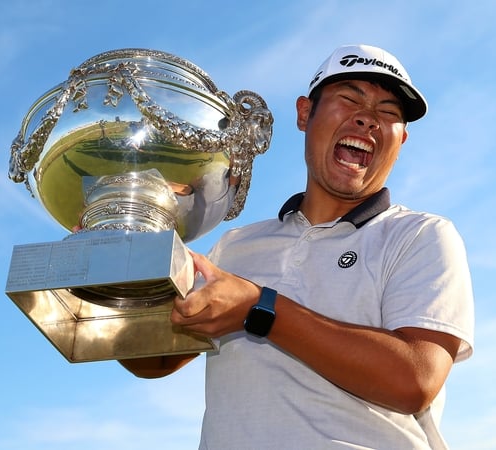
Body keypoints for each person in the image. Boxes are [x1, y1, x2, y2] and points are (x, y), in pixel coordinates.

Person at [119, 44, 475, 449]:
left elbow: (414, 379)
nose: (368, 119)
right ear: (305, 113)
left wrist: (261, 308)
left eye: (389, 113)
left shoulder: (420, 235)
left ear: (402, 139)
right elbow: (152, 360)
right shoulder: (237, 246)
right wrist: (119, 263)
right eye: (349, 98)